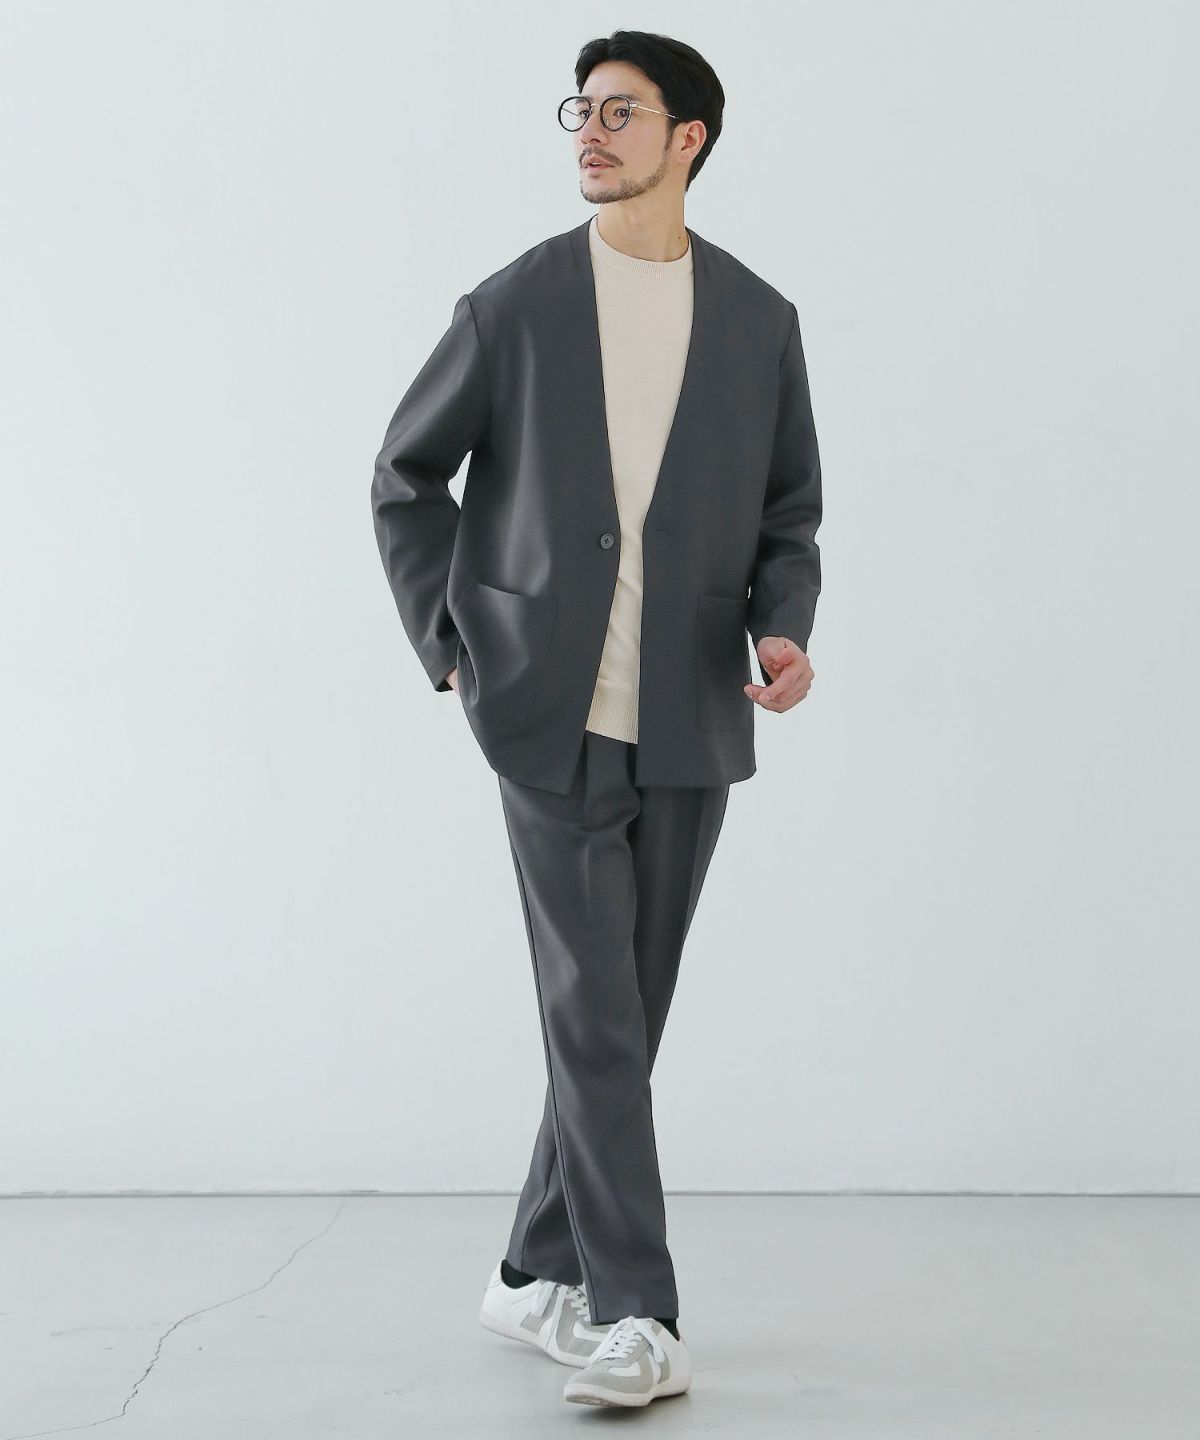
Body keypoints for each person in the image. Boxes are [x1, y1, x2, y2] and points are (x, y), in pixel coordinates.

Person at [371, 29, 822, 1410]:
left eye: (621, 113)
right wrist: (454, 642)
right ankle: (638, 1312)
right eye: (583, 109)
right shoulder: (515, 305)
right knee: (596, 1014)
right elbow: (404, 477)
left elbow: (789, 511)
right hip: (544, 711)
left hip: (687, 709)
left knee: (625, 1012)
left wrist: (783, 624)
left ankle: (530, 1273)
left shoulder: (757, 320)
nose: (590, 131)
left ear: (689, 138)